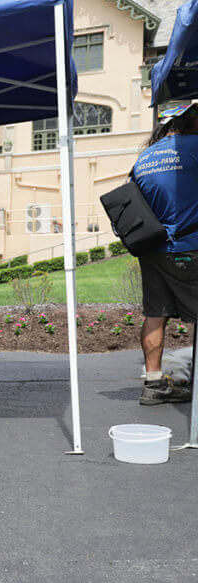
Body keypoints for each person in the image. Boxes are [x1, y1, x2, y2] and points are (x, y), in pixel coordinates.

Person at [132, 102, 198, 405]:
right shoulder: (195, 146)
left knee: (154, 315)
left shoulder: (144, 158)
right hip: (189, 248)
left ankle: (154, 383)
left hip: (152, 250)